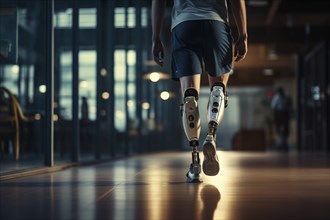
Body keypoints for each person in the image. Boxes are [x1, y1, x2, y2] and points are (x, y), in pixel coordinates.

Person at [151, 0, 248, 183]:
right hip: (216, 25)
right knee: (218, 88)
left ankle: (195, 161)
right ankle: (211, 134)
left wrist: (156, 38)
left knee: (189, 97)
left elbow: (158, 2)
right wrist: (243, 34)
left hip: (183, 26)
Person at [270, 86, 292, 151]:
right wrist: (275, 116)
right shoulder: (276, 98)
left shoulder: (287, 97)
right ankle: (279, 143)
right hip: (278, 114)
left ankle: (285, 143)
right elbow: (273, 107)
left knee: (285, 129)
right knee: (279, 129)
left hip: (285, 113)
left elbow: (290, 105)